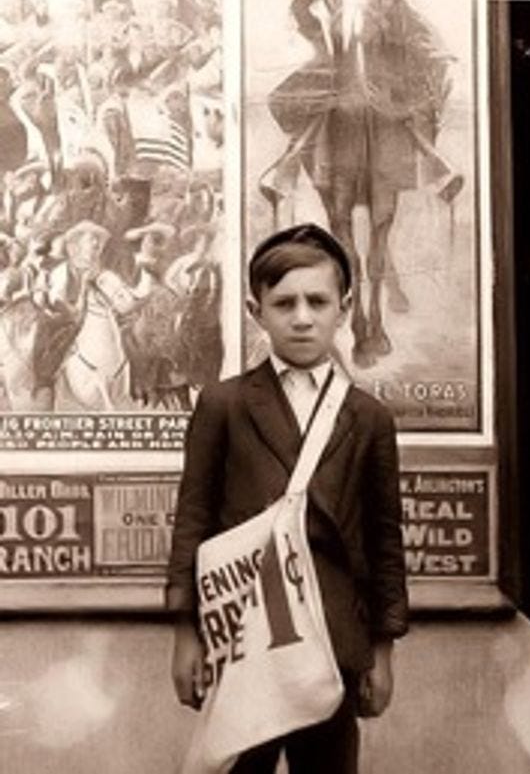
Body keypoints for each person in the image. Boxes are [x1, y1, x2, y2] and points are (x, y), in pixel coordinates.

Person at [166, 222, 408, 774]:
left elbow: (384, 540)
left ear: (345, 309)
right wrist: (186, 635)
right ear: (257, 312)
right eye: (284, 303)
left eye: (317, 302)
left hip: (331, 642)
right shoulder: (224, 404)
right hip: (245, 639)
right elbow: (193, 522)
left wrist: (382, 650)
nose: (302, 318)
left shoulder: (368, 417)